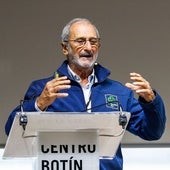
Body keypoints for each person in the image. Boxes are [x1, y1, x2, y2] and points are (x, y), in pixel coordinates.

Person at [5, 18, 166, 170]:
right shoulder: (44, 89)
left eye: (93, 41)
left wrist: (151, 101)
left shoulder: (119, 92)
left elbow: (152, 132)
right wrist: (38, 104)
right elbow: (11, 130)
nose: (88, 47)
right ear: (64, 47)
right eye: (80, 41)